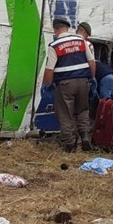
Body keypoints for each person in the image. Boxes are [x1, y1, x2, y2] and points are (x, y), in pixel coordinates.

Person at [42, 17, 96, 152]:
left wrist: (46, 85)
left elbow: (49, 69)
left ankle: (70, 144)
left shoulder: (54, 46)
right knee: (83, 110)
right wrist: (92, 78)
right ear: (68, 28)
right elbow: (92, 62)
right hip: (83, 81)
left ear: (55, 30)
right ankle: (85, 136)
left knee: (65, 113)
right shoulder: (81, 41)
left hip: (65, 84)